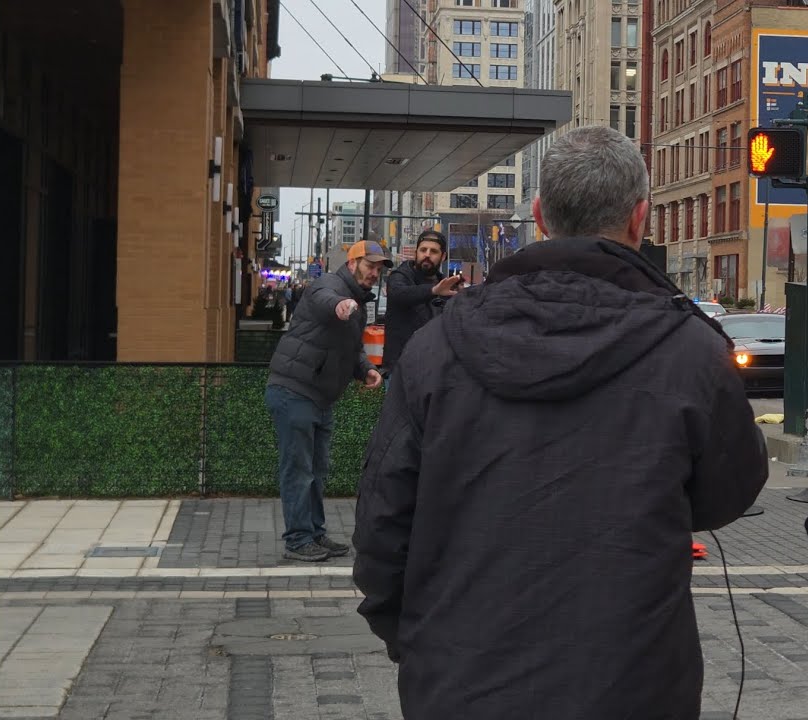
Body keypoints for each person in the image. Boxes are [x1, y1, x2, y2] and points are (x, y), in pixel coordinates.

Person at [353, 125, 769, 719]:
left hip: (459, 680)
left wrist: (418, 641)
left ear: (540, 214)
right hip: (634, 683)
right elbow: (728, 492)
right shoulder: (691, 351)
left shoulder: (436, 348)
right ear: (640, 219)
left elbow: (382, 527)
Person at [267, 240, 390, 562]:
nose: (374, 273)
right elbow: (325, 300)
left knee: (317, 469)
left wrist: (366, 370)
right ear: (352, 264)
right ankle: (297, 540)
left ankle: (315, 533)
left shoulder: (359, 304)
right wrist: (341, 306)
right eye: (369, 265)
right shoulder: (331, 285)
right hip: (295, 390)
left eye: (378, 269)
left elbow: (351, 349)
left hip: (319, 397)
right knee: (299, 469)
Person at [381, 230, 463, 388]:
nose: (427, 255)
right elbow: (400, 294)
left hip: (434, 371)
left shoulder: (445, 286)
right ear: (415, 252)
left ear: (443, 257)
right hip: (400, 370)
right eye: (423, 250)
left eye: (433, 251)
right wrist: (433, 291)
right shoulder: (400, 276)